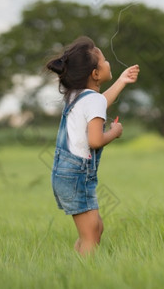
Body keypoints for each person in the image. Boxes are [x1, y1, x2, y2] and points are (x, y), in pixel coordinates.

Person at [45, 36, 139, 255]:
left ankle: (78, 265)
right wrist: (114, 132)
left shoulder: (78, 96)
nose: (108, 63)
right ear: (95, 74)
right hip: (77, 176)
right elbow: (95, 141)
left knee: (96, 228)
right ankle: (83, 274)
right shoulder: (92, 100)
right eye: (104, 60)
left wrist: (122, 81)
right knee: (91, 235)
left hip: (66, 174)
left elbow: (99, 103)